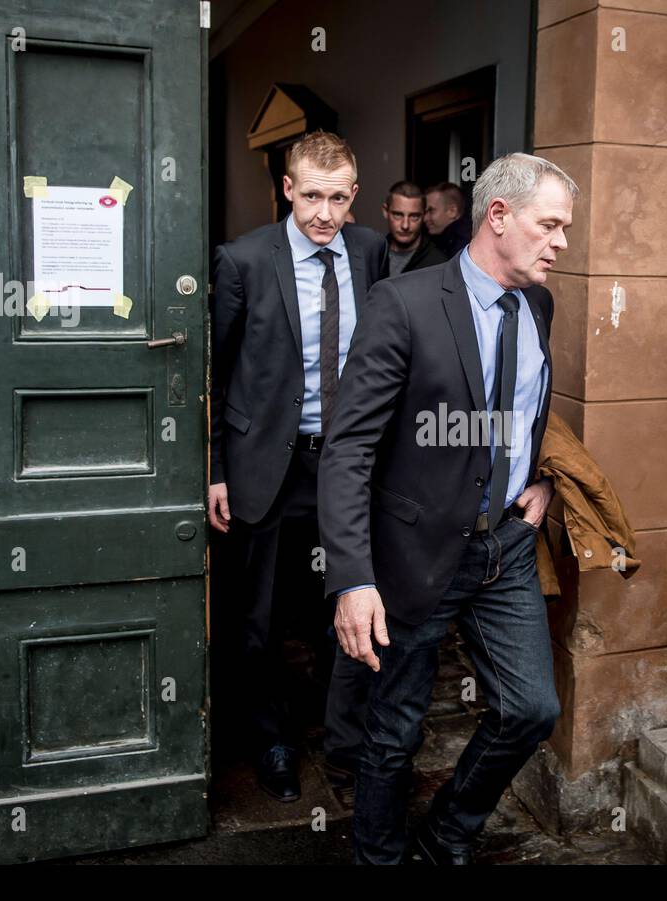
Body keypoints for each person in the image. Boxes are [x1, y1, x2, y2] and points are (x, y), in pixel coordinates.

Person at [319, 153, 577, 864]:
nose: (561, 242)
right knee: (395, 728)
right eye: (549, 225)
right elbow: (348, 448)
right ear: (499, 216)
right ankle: (378, 855)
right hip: (413, 553)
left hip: (507, 549)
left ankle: (448, 831)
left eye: (564, 228)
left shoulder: (539, 303)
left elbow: (524, 415)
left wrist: (541, 484)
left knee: (532, 708)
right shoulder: (403, 304)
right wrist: (352, 576)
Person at [208, 131, 386, 801]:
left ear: (354, 196)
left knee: (340, 601)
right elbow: (216, 376)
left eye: (338, 198)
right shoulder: (244, 260)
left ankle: (340, 736)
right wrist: (216, 467)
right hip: (263, 465)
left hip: (343, 464)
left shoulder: (369, 252)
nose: (324, 214)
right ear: (287, 188)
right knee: (258, 616)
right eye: (311, 195)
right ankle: (271, 737)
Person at [380, 180, 447, 278]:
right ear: (385, 211)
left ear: (424, 215)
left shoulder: (439, 265)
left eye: (414, 216)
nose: (405, 225)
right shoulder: (374, 255)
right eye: (398, 215)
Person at [424, 181, 471, 258]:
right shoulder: (446, 240)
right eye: (425, 212)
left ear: (452, 211)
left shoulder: (462, 247)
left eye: (431, 210)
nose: (425, 218)